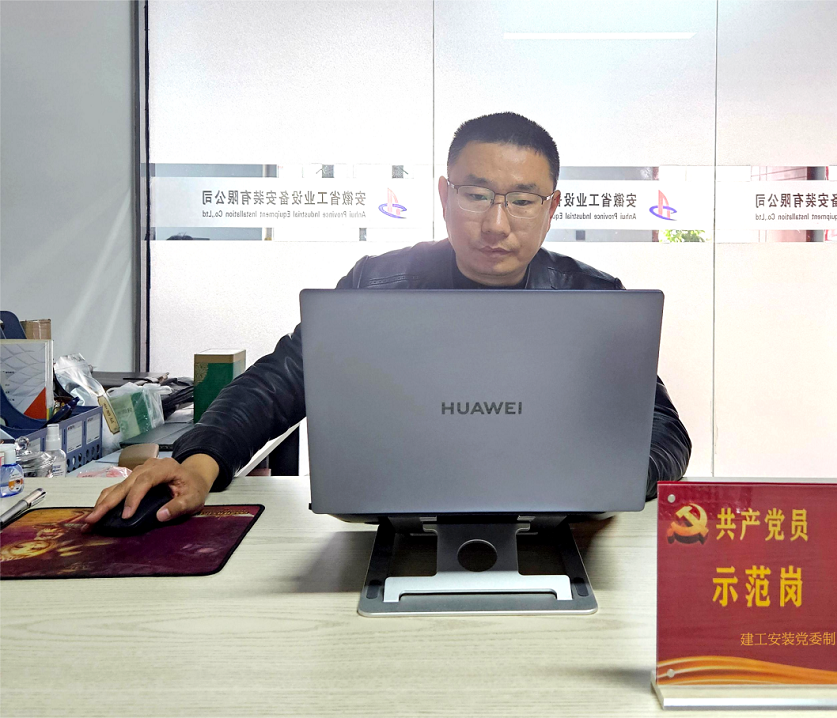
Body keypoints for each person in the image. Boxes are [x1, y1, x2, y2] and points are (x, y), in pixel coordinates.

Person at [84, 112, 692, 528]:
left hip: (561, 532)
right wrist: (198, 464)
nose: (496, 223)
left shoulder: (591, 297)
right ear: (444, 196)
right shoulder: (379, 282)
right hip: (399, 530)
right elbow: (280, 382)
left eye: (522, 200)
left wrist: (597, 483)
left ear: (551, 207)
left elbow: (665, 432)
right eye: (477, 195)